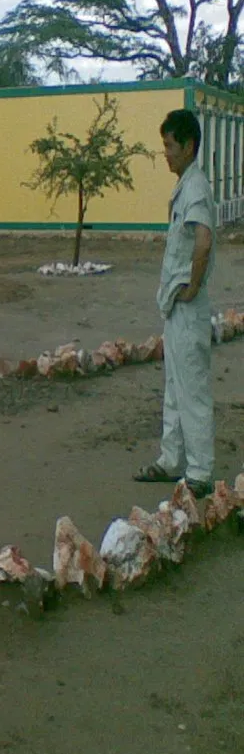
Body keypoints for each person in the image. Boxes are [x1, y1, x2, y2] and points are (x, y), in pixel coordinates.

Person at [134, 108, 216, 497]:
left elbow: (203, 239)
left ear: (187, 145)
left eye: (169, 145)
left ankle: (199, 471)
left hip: (188, 306)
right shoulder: (186, 184)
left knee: (191, 390)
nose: (164, 152)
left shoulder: (196, 186)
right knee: (173, 387)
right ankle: (171, 460)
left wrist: (193, 286)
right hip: (176, 307)